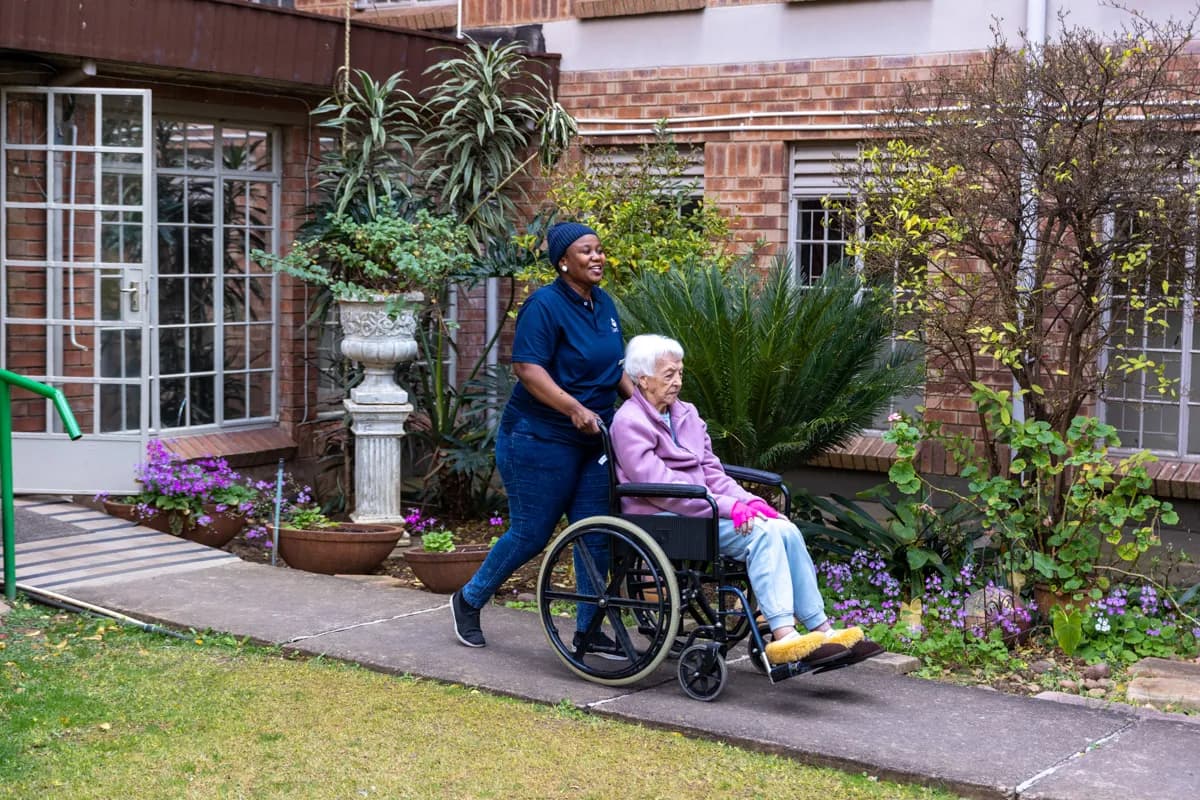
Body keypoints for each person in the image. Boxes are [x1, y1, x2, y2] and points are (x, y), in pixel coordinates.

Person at [610, 334, 883, 666]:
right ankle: (784, 636)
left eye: (681, 373)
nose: (678, 381)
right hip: (664, 518)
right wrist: (729, 507)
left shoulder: (686, 415)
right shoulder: (629, 422)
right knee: (763, 537)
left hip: (702, 510)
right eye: (669, 374)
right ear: (643, 378)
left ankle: (821, 629)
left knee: (783, 528)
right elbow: (662, 487)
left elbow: (712, 473)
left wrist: (749, 501)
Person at [451, 221, 635, 655]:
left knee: (594, 533)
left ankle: (588, 630)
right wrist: (573, 408)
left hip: (594, 442)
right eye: (587, 251)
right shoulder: (544, 305)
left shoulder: (603, 304)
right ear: (563, 261)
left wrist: (649, 409)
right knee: (532, 533)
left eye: (600, 250)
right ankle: (469, 600)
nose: (597, 257)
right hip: (537, 438)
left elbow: (615, 369)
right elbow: (528, 369)